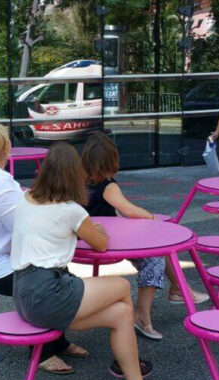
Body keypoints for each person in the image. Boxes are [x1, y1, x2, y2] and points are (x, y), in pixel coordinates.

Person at [11, 143, 180, 380]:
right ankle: (123, 360)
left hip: (24, 294)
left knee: (121, 313)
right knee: (122, 286)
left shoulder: (26, 198)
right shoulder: (70, 210)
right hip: (50, 291)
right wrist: (94, 228)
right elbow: (101, 243)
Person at [0, 123, 88, 374]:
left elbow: (20, 204)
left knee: (55, 270)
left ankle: (56, 340)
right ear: (7, 147)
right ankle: (42, 351)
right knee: (43, 280)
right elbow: (23, 225)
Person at [80, 133, 209, 341]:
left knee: (159, 246)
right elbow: (129, 210)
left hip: (82, 243)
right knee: (154, 255)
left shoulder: (79, 181)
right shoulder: (108, 185)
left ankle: (179, 289)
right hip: (103, 243)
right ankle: (142, 314)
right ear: (111, 161)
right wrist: (151, 218)